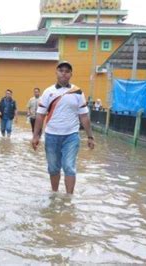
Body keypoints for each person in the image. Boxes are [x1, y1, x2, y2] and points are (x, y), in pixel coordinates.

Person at [31, 61, 95, 194]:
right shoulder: (48, 92)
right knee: (53, 168)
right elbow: (40, 115)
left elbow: (84, 116)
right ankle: (54, 195)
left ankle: (68, 200)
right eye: (61, 71)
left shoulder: (77, 92)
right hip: (51, 135)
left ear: (71, 74)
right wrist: (36, 136)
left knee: (69, 167)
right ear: (56, 73)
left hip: (71, 136)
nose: (64, 73)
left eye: (67, 71)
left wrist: (90, 136)